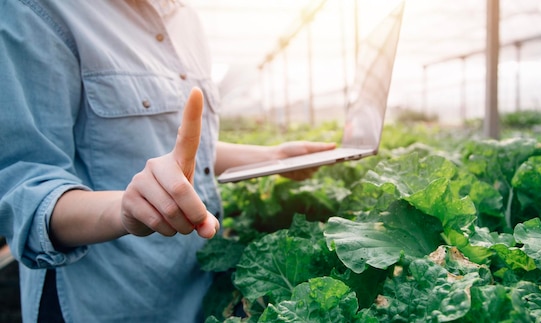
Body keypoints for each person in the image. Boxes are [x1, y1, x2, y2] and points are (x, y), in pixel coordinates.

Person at [0, 1, 335, 322]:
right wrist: (125, 208)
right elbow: (26, 191)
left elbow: (177, 145)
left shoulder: (186, 18)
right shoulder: (37, 9)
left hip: (195, 288)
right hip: (110, 300)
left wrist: (270, 156)